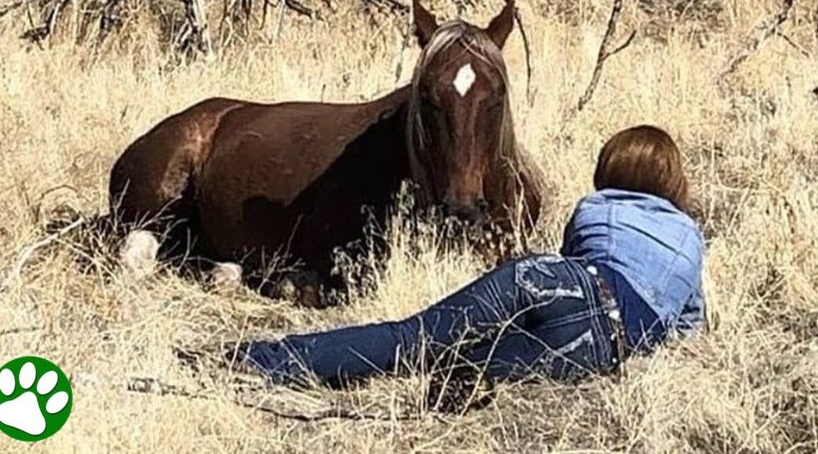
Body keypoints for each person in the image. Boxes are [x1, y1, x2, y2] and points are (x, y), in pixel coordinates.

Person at [232, 125, 706, 388]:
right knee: (466, 368)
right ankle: (464, 376)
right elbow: (688, 326)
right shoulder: (689, 237)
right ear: (670, 180)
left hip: (550, 279)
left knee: (414, 338)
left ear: (611, 169)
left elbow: (575, 263)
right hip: (602, 340)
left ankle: (267, 359)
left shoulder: (595, 207)